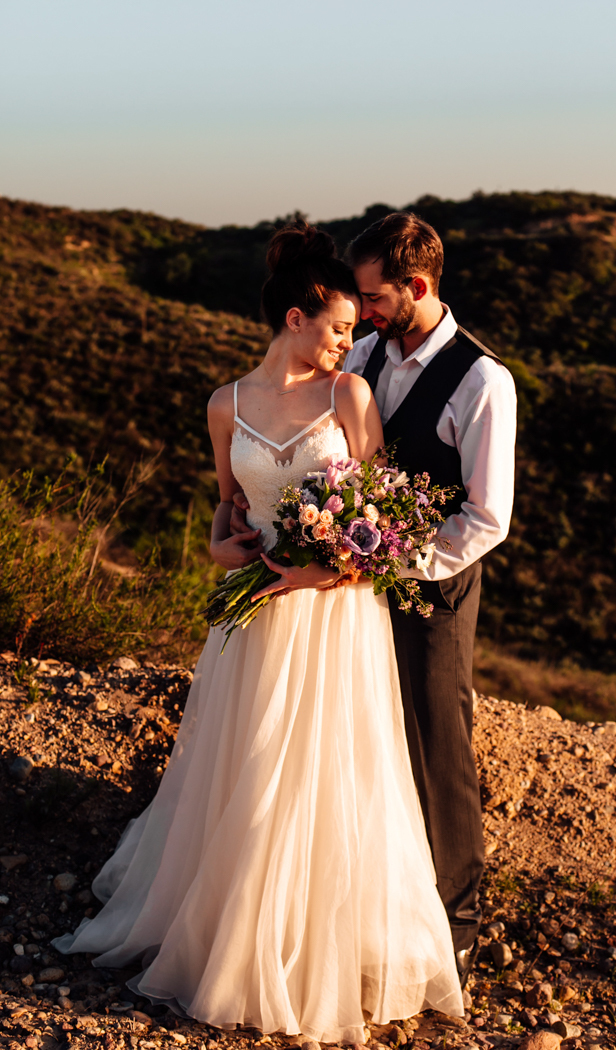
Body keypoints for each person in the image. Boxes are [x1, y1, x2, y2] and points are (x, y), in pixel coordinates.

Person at [52, 220, 463, 1043]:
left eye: (356, 327)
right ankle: (234, 933)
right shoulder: (224, 405)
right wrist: (215, 543)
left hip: (334, 616)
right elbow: (227, 503)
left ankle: (312, 942)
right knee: (249, 763)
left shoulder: (349, 397)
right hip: (256, 611)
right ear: (295, 319)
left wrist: (324, 570)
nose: (352, 344)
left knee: (321, 772)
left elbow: (377, 521)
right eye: (340, 328)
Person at [342, 212, 517, 983]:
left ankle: (459, 922)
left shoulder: (483, 380)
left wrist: (391, 559)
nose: (363, 308)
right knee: (369, 737)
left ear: (418, 286)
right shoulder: (362, 351)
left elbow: (486, 516)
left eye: (375, 296)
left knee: (438, 744)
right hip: (353, 589)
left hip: (434, 593)